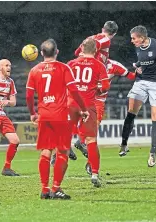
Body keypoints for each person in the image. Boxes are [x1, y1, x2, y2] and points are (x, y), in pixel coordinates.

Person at [26, 39, 89, 199]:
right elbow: (74, 91)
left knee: (46, 151)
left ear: (41, 53)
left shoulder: (34, 70)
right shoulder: (63, 68)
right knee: (62, 151)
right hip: (61, 115)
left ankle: (44, 189)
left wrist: (33, 112)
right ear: (57, 52)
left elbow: (28, 95)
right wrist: (83, 109)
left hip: (44, 115)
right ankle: (56, 188)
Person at [119, 25, 156, 167]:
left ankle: (152, 153)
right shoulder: (138, 47)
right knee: (131, 112)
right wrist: (137, 66)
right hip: (140, 82)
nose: (132, 41)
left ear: (142, 37)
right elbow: (144, 60)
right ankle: (124, 144)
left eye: (134, 38)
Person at [67, 39, 110, 187]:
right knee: (91, 140)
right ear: (96, 51)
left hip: (71, 104)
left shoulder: (71, 63)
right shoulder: (99, 65)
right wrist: (93, 88)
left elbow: (62, 82)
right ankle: (95, 174)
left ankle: (56, 173)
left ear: (82, 48)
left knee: (63, 136)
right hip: (88, 105)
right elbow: (105, 86)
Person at [73, 21, 118, 154]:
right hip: (93, 80)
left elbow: (77, 52)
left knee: (76, 114)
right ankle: (83, 143)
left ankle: (64, 149)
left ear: (102, 28)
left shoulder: (89, 38)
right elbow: (94, 47)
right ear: (114, 34)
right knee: (94, 116)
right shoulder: (105, 40)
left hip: (83, 79)